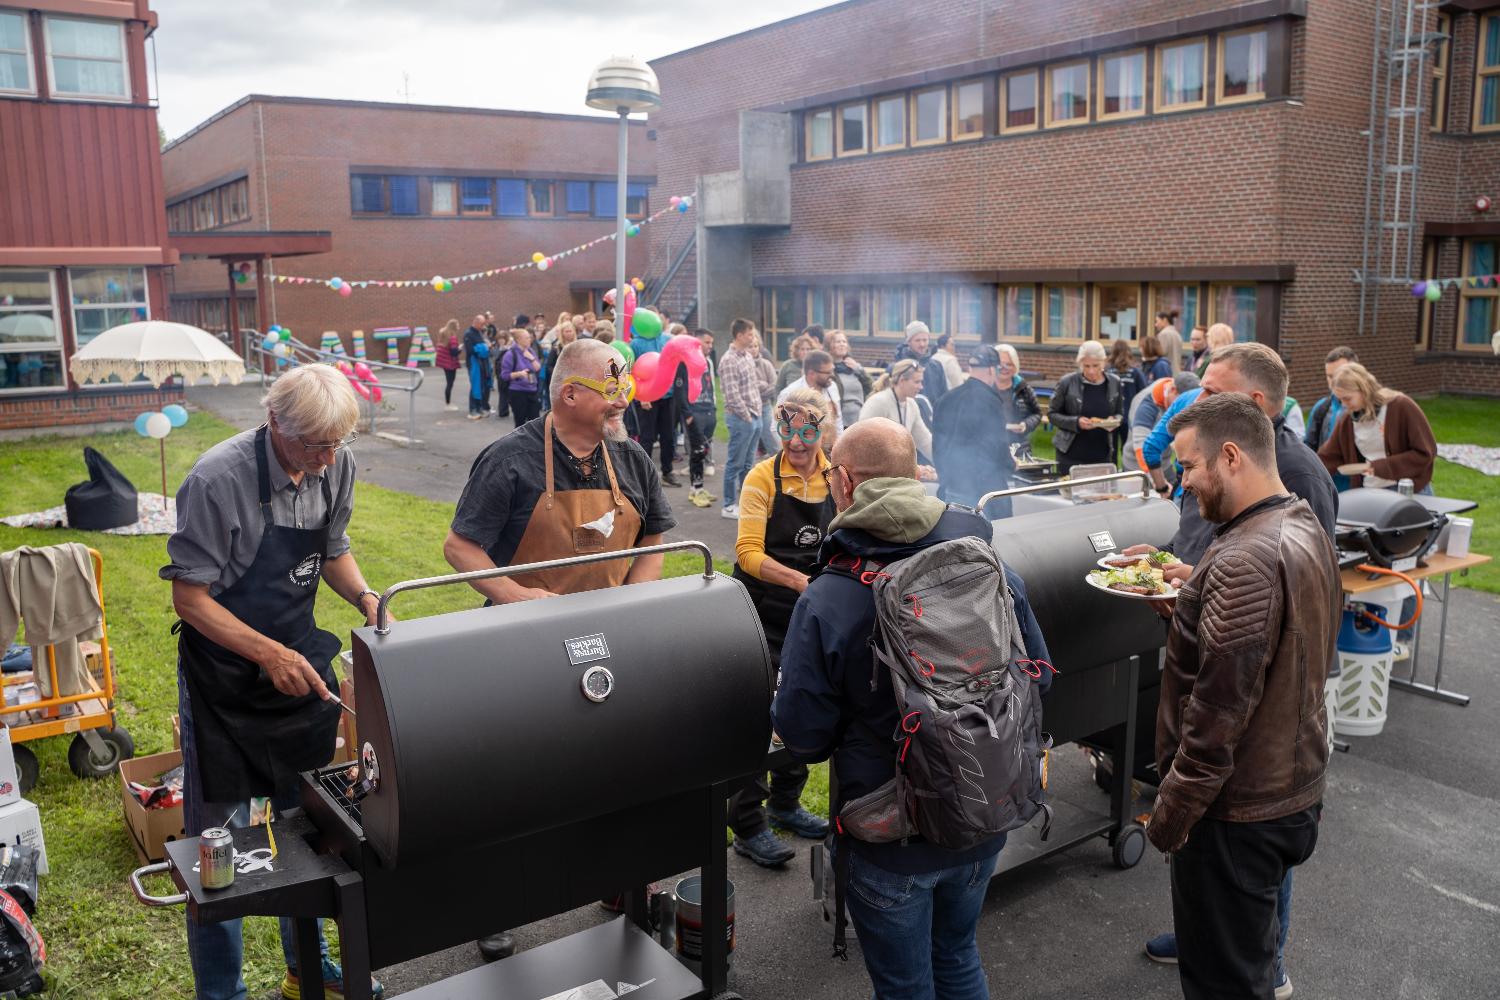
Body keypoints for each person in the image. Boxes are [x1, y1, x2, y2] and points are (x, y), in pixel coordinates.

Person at [772, 417, 1051, 1000]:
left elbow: (803, 736)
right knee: (957, 956)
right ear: (913, 475)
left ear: (845, 482)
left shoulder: (830, 595)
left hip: (890, 835)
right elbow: (1039, 680)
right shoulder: (990, 567)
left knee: (904, 987)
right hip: (985, 809)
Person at [444, 339, 675, 963]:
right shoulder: (508, 461)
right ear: (571, 394)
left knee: (613, 769)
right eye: (612, 388)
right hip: (521, 641)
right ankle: (497, 904)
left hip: (607, 637)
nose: (623, 400)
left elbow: (654, 531)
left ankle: (620, 883)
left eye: (625, 387)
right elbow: (462, 548)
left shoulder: (629, 458)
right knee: (514, 783)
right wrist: (518, 598)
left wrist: (635, 597)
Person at [162, 365, 386, 1000]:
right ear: (273, 424)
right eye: (311, 447)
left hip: (297, 666)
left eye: (335, 446)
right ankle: (221, 992)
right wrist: (266, 654)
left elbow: (333, 548)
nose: (323, 461)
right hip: (222, 680)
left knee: (308, 828)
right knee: (217, 846)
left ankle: (305, 968)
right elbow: (190, 597)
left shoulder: (333, 461)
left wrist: (368, 600)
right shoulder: (216, 479)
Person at [1130, 345, 1336, 997]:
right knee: (1240, 964)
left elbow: (1215, 722)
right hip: (1288, 789)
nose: (1181, 482)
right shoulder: (1294, 524)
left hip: (1238, 812)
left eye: (1187, 466)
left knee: (1227, 983)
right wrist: (1195, 588)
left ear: (1230, 456)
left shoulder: (1246, 559)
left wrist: (1168, 819)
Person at [728, 391, 837, 866]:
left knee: (806, 702)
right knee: (756, 715)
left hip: (811, 612)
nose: (796, 441)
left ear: (823, 431)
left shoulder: (837, 476)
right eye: (787, 430)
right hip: (762, 610)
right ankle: (747, 824)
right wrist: (799, 581)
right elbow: (748, 554)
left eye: (807, 431)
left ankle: (787, 804)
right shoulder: (761, 478)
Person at [1317, 362, 1437, 494]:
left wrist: (1379, 467)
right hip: (1371, 490)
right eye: (1340, 400)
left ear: (1364, 389)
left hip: (1410, 489)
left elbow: (1425, 453)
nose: (1344, 405)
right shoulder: (1347, 420)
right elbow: (1328, 457)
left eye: (1347, 399)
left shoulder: (1401, 406)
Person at [931, 344, 1020, 517]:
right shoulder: (990, 401)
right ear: (991, 370)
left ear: (970, 368)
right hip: (983, 494)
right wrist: (1011, 463)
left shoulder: (945, 399)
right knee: (991, 542)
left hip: (951, 488)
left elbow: (937, 446)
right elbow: (996, 446)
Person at [1048, 340, 1124, 474]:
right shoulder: (1067, 382)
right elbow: (1052, 414)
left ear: (1104, 362)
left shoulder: (1114, 382)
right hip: (1070, 454)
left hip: (1102, 454)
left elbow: (1120, 412)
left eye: (1096, 365)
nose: (1091, 371)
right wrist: (1076, 422)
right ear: (1079, 364)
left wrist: (1114, 420)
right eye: (1086, 366)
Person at [720, 318, 769, 519]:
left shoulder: (748, 356)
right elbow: (732, 394)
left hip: (754, 415)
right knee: (735, 463)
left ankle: (744, 502)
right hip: (741, 418)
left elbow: (752, 387)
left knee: (748, 464)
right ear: (739, 335)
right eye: (749, 334)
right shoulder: (729, 360)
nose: (752, 337)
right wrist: (748, 416)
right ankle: (728, 505)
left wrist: (756, 413)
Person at [629, 318, 682, 486]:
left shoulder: (668, 340)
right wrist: (641, 397)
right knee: (647, 437)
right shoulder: (636, 344)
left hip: (668, 395)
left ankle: (667, 472)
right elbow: (632, 371)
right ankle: (644, 475)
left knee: (668, 436)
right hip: (647, 398)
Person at [1305, 346, 1360, 490]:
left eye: (1340, 374)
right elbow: (1309, 448)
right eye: (1330, 376)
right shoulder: (1322, 408)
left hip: (1361, 489)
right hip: (1327, 487)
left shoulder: (1370, 409)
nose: (1334, 381)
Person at [859, 358, 932, 462]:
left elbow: (925, 441)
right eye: (917, 382)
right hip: (874, 470)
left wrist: (946, 464)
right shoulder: (878, 402)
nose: (921, 386)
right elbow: (862, 440)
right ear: (902, 380)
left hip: (896, 470)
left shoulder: (911, 405)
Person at [1126, 372, 1197, 478]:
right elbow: (1141, 444)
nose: (1183, 406)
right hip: (1138, 467)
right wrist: (1155, 480)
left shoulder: (1170, 391)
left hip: (1164, 462)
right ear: (1173, 390)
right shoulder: (1145, 404)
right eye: (1181, 401)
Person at [684, 329, 719, 508]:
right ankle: (696, 490)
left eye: (711, 343)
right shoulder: (685, 362)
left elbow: (711, 384)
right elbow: (680, 391)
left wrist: (714, 408)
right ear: (697, 342)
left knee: (704, 450)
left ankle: (697, 488)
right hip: (694, 412)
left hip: (708, 411)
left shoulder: (709, 362)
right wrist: (687, 414)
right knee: (697, 452)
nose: (710, 346)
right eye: (707, 342)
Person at [778, 349, 845, 433]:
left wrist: (838, 444)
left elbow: (838, 421)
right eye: (828, 372)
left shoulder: (832, 387)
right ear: (811, 373)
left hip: (831, 444)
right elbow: (777, 426)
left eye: (832, 370)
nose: (832, 375)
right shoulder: (790, 393)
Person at [1108, 339, 1148, 465]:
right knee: (1128, 450)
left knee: (1111, 448)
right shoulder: (1135, 372)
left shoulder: (1108, 372)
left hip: (1111, 417)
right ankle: (1127, 472)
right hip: (1130, 416)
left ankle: (1112, 473)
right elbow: (1144, 392)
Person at [997, 344, 1042, 449]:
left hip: (1020, 446)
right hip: (990, 448)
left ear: (1015, 366)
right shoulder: (985, 387)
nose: (1004, 368)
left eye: (1009, 364)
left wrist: (1025, 425)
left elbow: (1036, 413)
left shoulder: (1024, 388)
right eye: (1000, 364)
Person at [499, 327, 543, 428]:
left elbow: (537, 368)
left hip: (532, 390)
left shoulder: (530, 351)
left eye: (530, 337)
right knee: (520, 423)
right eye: (527, 338)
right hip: (517, 392)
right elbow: (504, 376)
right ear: (518, 340)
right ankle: (520, 443)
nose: (530, 340)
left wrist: (531, 358)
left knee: (535, 422)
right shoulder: (510, 354)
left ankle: (533, 443)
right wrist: (519, 374)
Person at [826, 330, 872, 428]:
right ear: (829, 346)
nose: (842, 344)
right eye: (838, 342)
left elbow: (871, 387)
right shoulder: (826, 370)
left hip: (859, 420)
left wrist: (859, 370)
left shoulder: (854, 366)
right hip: (839, 423)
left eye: (844, 342)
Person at [541, 320, 578, 412]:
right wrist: (560, 374)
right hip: (561, 383)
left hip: (577, 382)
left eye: (570, 331)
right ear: (562, 333)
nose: (569, 333)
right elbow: (549, 365)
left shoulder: (579, 346)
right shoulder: (556, 348)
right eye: (566, 331)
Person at [463, 315, 492, 420]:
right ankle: (472, 409)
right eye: (482, 324)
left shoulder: (479, 332)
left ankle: (480, 407)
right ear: (475, 322)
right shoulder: (468, 334)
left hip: (482, 363)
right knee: (475, 386)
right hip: (474, 364)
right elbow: (470, 350)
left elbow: (484, 346)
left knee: (483, 386)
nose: (483, 326)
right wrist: (484, 347)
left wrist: (483, 347)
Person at [435, 318, 462, 411]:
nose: (459, 327)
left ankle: (448, 403)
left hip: (444, 362)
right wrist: (460, 348)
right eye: (458, 325)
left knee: (449, 383)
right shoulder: (453, 337)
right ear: (454, 326)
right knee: (450, 383)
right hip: (450, 363)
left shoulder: (444, 336)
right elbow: (454, 352)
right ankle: (448, 404)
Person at [1147, 314, 1177, 381]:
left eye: (1157, 321)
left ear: (1165, 320)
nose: (1155, 325)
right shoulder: (1176, 334)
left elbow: (1160, 353)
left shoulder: (1163, 334)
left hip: (1165, 372)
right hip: (1175, 372)